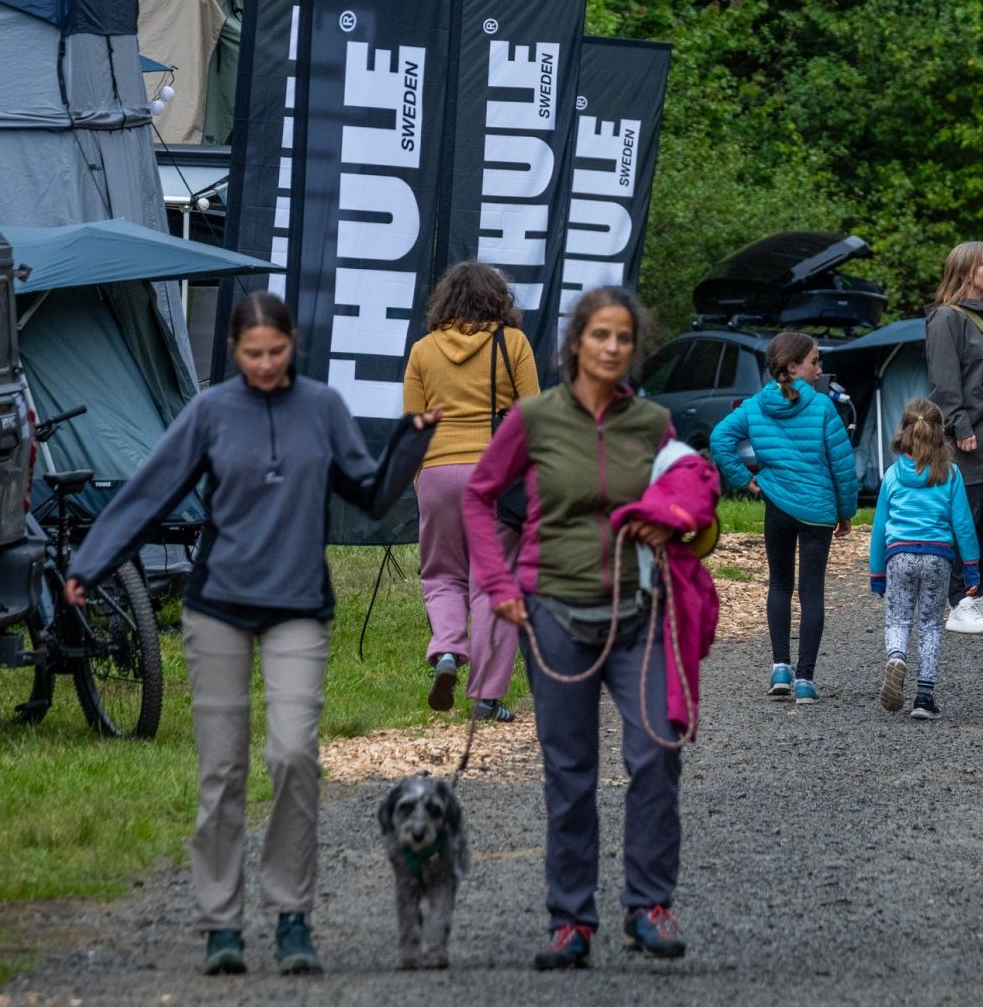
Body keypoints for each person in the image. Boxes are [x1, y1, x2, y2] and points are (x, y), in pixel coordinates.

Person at [67, 291, 399, 977]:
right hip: (218, 606)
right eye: (253, 354)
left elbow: (370, 492)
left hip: (297, 605)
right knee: (222, 771)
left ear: (292, 343)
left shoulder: (323, 408)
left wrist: (413, 441)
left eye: (276, 352)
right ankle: (221, 923)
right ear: (233, 351)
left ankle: (291, 916)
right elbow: (151, 489)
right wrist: (91, 563)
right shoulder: (212, 410)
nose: (266, 364)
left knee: (293, 755)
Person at [465, 285, 693, 968]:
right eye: (600, 334)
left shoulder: (653, 423)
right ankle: (571, 920)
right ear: (576, 342)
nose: (612, 347)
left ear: (634, 347)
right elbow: (478, 497)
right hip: (553, 613)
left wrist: (675, 521)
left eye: (623, 337)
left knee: (656, 751)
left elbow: (689, 496)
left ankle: (649, 906)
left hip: (639, 613)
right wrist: (499, 585)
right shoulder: (533, 418)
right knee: (570, 772)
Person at [403, 262, 539, 722]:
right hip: (495, 474)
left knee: (441, 574)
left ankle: (446, 650)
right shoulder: (513, 343)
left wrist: (420, 479)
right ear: (499, 299)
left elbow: (413, 425)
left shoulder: (423, 350)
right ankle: (485, 696)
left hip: (437, 471)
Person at [710, 330, 860, 704]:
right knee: (811, 592)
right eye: (814, 361)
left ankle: (780, 668)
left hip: (776, 507)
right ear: (793, 366)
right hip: (817, 511)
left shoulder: (754, 406)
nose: (819, 369)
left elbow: (719, 440)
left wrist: (745, 479)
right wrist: (846, 511)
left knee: (779, 584)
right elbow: (842, 467)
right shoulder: (823, 407)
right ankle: (805, 679)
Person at [923, 240, 983, 635]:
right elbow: (943, 383)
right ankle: (959, 600)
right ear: (964, 272)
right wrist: (959, 427)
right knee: (965, 520)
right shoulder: (946, 319)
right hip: (968, 440)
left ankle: (979, 595)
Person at [867, 398, 981, 720]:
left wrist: (877, 573)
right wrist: (971, 568)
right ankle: (924, 699)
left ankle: (896, 658)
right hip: (937, 558)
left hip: (899, 556)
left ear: (904, 430)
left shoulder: (892, 475)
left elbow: (880, 527)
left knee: (898, 619)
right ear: (939, 432)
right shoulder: (951, 474)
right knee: (930, 625)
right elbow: (963, 524)